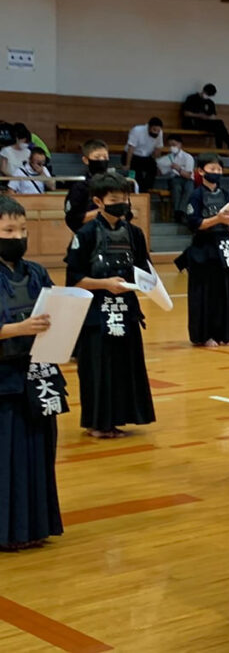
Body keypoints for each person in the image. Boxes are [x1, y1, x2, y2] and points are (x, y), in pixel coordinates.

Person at [65, 173, 155, 439]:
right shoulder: (86, 233)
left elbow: (144, 270)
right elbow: (75, 280)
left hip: (126, 310)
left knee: (123, 367)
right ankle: (98, 423)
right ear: (98, 201)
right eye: (114, 200)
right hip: (96, 315)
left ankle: (119, 418)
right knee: (98, 369)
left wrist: (148, 285)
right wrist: (104, 283)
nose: (121, 204)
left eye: (124, 199)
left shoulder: (135, 233)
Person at [0, 195, 65, 550]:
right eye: (9, 230)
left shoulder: (37, 272)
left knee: (38, 453)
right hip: (3, 383)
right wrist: (15, 330)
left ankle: (35, 525)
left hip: (37, 377)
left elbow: (54, 312)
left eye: (22, 229)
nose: (17, 236)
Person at [175, 153, 229, 347]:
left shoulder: (226, 194)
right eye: (212, 169)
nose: (216, 172)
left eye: (219, 169)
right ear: (201, 171)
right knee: (205, 294)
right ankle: (205, 334)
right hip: (203, 248)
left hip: (225, 247)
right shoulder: (196, 195)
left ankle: (225, 332)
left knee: (226, 290)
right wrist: (218, 219)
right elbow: (194, 223)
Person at [64, 139, 112, 232]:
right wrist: (103, 212)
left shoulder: (115, 183)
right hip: (88, 235)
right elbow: (73, 219)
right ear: (86, 160)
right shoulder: (79, 187)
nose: (102, 160)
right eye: (97, 157)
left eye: (105, 157)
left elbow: (127, 214)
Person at [181, 83, 229, 153]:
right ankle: (226, 144)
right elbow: (186, 113)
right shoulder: (192, 98)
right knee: (219, 126)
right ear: (203, 91)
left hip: (205, 123)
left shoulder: (210, 102)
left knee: (218, 124)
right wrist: (199, 115)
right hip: (193, 122)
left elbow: (213, 116)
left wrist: (209, 117)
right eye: (207, 94)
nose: (208, 96)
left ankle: (221, 148)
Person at [159, 135, 196, 223]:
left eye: (174, 144)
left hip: (188, 179)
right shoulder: (168, 158)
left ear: (180, 144)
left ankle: (181, 212)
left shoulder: (188, 157)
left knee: (189, 189)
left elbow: (188, 175)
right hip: (174, 179)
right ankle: (178, 212)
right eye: (170, 145)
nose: (172, 147)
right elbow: (162, 173)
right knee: (176, 188)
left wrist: (178, 168)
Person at [123, 117, 163, 193]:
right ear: (149, 127)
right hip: (133, 155)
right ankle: (139, 191)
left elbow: (158, 148)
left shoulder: (159, 133)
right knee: (137, 174)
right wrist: (127, 164)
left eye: (158, 131)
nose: (156, 133)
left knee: (153, 169)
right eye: (154, 130)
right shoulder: (137, 130)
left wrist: (157, 162)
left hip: (146, 156)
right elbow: (131, 148)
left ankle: (146, 190)